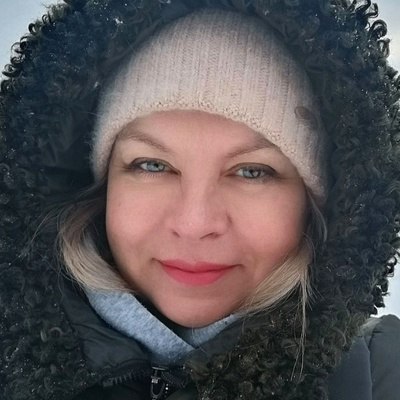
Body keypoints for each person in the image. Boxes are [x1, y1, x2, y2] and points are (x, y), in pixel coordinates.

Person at [0, 0, 399, 399]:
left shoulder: (381, 369)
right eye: (153, 165)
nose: (195, 223)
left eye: (251, 171)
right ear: (104, 187)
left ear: (315, 203)